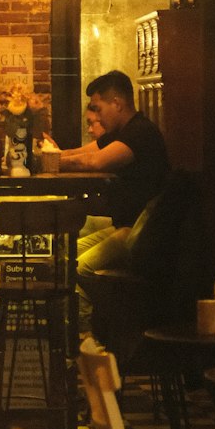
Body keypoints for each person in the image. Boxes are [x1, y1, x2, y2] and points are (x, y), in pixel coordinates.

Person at [56, 70, 171, 296]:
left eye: (98, 109)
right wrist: (51, 156)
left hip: (140, 230)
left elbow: (93, 162)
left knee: (80, 268)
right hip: (123, 225)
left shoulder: (140, 132)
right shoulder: (121, 132)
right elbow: (78, 153)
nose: (97, 117)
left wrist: (48, 163)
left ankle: (93, 327)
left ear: (117, 103)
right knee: (65, 259)